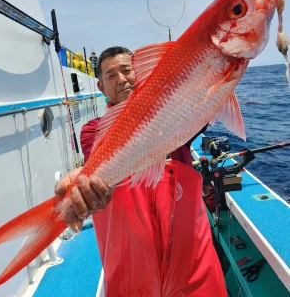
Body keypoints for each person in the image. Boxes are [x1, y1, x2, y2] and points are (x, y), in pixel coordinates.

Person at [55, 46, 227, 297]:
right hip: (132, 275)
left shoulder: (174, 113)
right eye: (111, 75)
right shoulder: (93, 129)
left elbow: (205, 101)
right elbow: (99, 159)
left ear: (141, 75)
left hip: (193, 266)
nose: (122, 79)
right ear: (101, 87)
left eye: (127, 70)